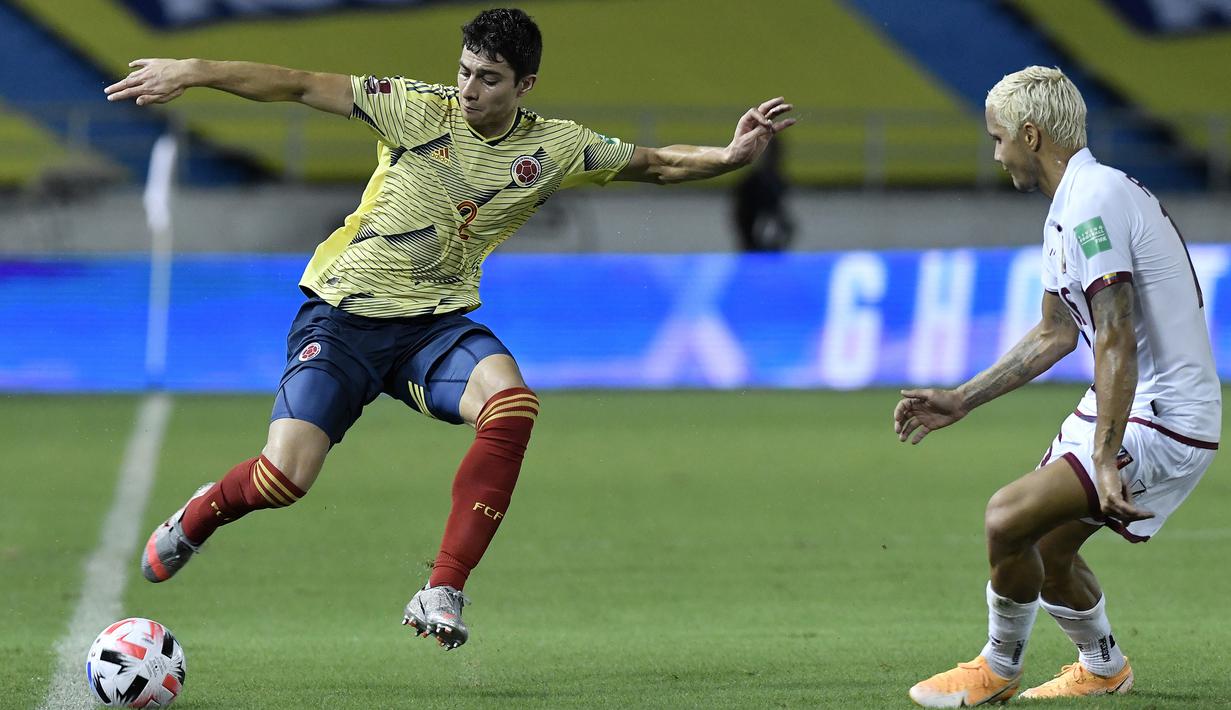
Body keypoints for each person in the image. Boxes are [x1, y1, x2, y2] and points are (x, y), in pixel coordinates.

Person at [104, 7, 794, 651]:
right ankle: (202, 513)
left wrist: (730, 158)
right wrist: (193, 70)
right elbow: (293, 85)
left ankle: (442, 589)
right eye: (464, 70)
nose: (467, 88)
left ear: (524, 85)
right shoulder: (412, 106)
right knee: (285, 478)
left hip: (430, 328)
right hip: (342, 316)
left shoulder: (554, 148)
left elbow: (655, 164)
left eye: (487, 78)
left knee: (513, 404)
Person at [893, 66, 1219, 706]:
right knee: (1041, 548)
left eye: (998, 138)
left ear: (1031, 135)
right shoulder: (1070, 204)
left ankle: (997, 667)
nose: (996, 153)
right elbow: (1054, 334)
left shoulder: (1093, 202)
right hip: (1133, 401)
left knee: (1006, 517)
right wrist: (962, 397)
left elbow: (1117, 335)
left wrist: (1104, 455)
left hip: (1166, 414)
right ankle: (1104, 667)